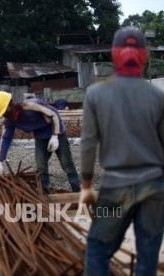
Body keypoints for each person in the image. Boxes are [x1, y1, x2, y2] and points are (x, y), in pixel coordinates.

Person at [80, 26, 164, 275]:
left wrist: (85, 185)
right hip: (154, 188)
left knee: (97, 247)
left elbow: (88, 142)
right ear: (144, 55)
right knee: (148, 256)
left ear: (113, 54)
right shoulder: (157, 97)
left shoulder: (96, 94)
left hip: (115, 188)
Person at [0, 91, 80, 194]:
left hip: (57, 134)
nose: (6, 115)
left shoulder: (31, 106)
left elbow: (54, 114)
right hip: (40, 137)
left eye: (6, 111)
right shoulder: (9, 120)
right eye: (3, 114)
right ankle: (45, 195)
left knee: (67, 164)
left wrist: (55, 136)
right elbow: (6, 139)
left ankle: (77, 192)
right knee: (41, 168)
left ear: (11, 104)